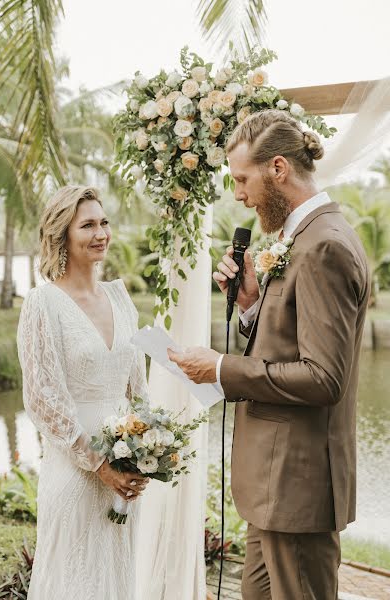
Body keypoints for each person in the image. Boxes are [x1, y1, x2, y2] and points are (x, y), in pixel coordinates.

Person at [168, 109, 370, 599]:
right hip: (271, 490)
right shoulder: (296, 238)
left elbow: (324, 377)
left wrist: (221, 368)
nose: (237, 193)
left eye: (242, 179)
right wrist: (252, 304)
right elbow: (289, 342)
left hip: (296, 486)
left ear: (278, 168)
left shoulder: (325, 245)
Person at [17, 186, 149, 599]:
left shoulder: (120, 297)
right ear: (62, 236)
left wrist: (145, 450)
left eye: (104, 222)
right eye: (87, 225)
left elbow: (138, 387)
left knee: (116, 577)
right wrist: (98, 465)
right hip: (75, 472)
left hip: (123, 472)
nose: (101, 233)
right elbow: (44, 400)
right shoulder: (43, 304)